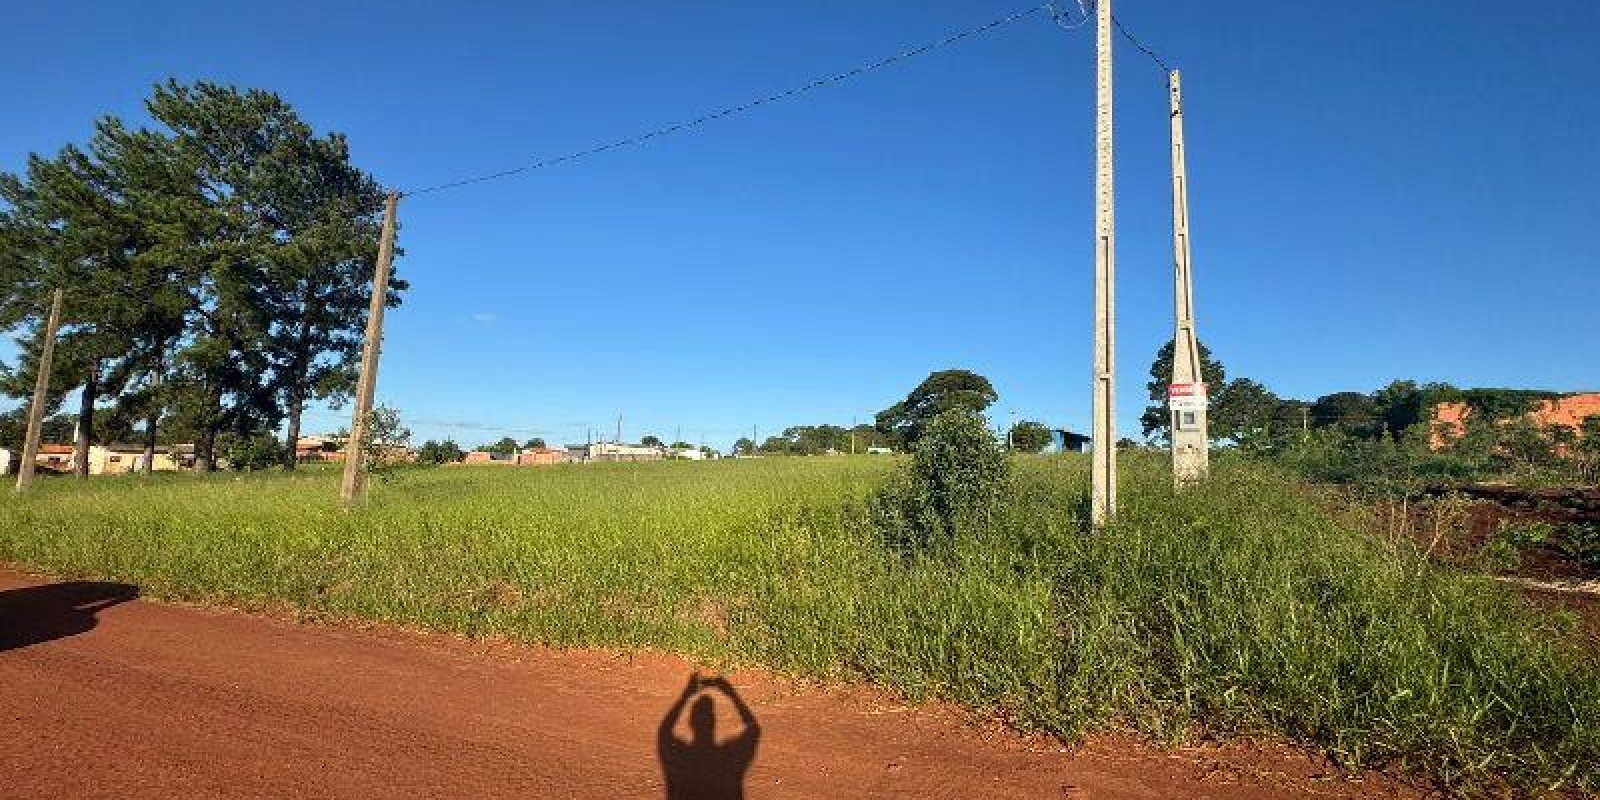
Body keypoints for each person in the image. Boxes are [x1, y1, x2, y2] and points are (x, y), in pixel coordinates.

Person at [657, 671, 760, 800]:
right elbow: (753, 729)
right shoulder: (727, 760)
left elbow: (664, 733)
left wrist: (686, 695)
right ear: (714, 721)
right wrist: (731, 693)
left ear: (690, 723)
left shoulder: (682, 757)